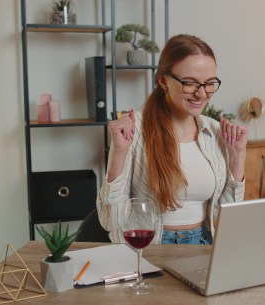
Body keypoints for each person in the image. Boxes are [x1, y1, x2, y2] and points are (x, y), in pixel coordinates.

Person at [97, 34, 248, 245]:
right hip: (149, 247)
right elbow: (110, 221)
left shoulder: (214, 131)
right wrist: (119, 152)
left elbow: (228, 217)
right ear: (163, 81)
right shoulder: (134, 131)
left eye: (210, 83)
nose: (202, 94)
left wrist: (237, 156)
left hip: (204, 246)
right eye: (190, 83)